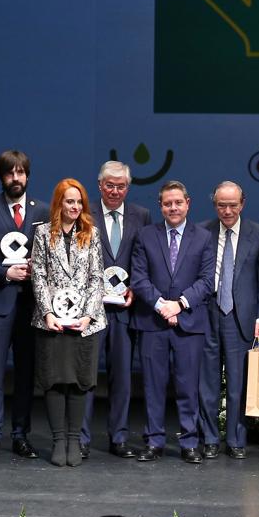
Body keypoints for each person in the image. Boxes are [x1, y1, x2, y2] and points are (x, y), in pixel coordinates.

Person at [0, 150, 49, 460]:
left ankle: (20, 435)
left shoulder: (42, 210)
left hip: (31, 305)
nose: (16, 178)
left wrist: (36, 267)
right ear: (1, 176)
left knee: (26, 374)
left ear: (28, 175)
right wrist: (5, 272)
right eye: (10, 173)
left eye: (21, 173)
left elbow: (50, 255)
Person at [130, 180, 216, 463]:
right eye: (167, 203)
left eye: (178, 202)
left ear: (188, 203)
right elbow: (139, 278)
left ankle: (189, 441)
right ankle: (154, 441)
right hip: (152, 323)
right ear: (161, 206)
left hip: (189, 322)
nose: (173, 207)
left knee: (188, 385)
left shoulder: (203, 237)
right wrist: (161, 305)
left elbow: (207, 281)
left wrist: (179, 304)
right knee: (153, 386)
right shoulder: (145, 235)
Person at [30, 178, 107, 466]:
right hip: (50, 321)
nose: (74, 206)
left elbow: (96, 278)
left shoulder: (92, 233)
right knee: (53, 381)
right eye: (69, 201)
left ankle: (74, 440)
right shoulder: (41, 234)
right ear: (59, 204)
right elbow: (37, 275)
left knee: (78, 381)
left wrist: (86, 315)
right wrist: (48, 313)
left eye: (78, 202)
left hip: (85, 322)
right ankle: (58, 440)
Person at [82, 161, 151, 459]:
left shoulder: (142, 216)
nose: (114, 190)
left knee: (122, 376)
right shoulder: (85, 214)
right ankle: (81, 438)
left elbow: (146, 258)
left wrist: (136, 287)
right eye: (109, 185)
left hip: (125, 309)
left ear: (128, 187)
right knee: (86, 376)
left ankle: (119, 436)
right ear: (99, 185)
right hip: (89, 310)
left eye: (120, 186)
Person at [197, 181, 259, 460]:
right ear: (214, 204)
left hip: (242, 317)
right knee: (208, 382)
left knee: (239, 382)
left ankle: (237, 439)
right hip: (207, 312)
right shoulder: (202, 231)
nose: (227, 211)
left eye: (232, 205)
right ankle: (210, 438)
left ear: (243, 203)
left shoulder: (258, 233)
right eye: (221, 205)